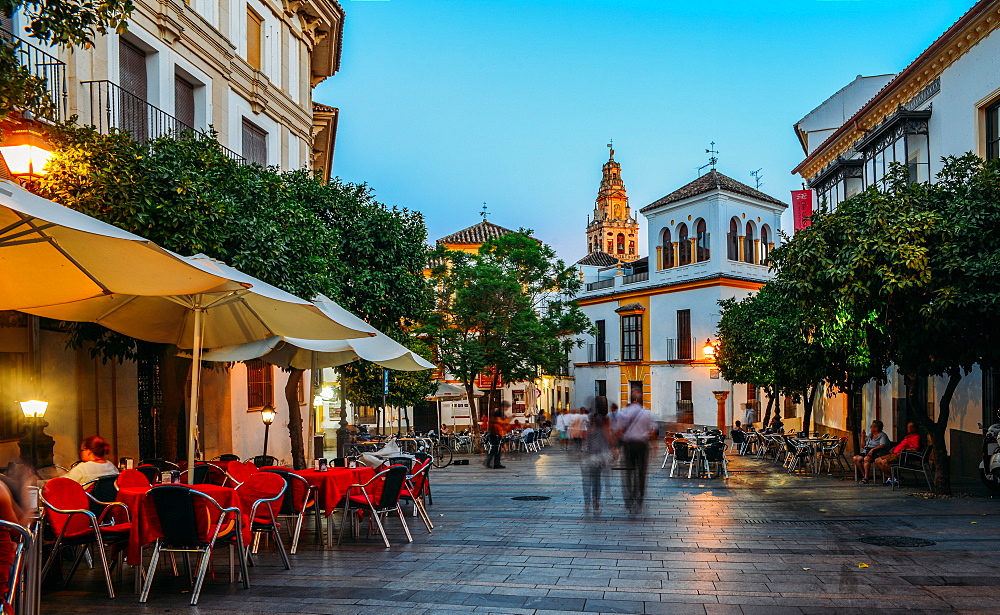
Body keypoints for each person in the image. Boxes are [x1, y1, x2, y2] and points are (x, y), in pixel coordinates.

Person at [616, 387, 653, 515]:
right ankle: (640, 496)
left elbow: (619, 429)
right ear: (641, 399)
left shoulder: (624, 411)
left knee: (628, 472)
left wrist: (617, 445)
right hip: (642, 445)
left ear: (630, 399)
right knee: (641, 472)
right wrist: (654, 447)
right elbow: (652, 431)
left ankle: (629, 497)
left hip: (629, 445)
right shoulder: (647, 412)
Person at [582, 396, 614, 515]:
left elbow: (586, 435)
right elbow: (609, 437)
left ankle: (587, 502)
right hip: (601, 454)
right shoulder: (605, 420)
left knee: (587, 480)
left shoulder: (590, 419)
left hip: (591, 453)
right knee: (597, 480)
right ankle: (596, 502)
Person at [853, 419, 891, 484]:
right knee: (856, 458)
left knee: (866, 459)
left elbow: (883, 445)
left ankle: (866, 477)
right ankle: (864, 474)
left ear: (876, 428)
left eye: (872, 426)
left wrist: (873, 449)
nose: (870, 427)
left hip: (877, 452)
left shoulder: (882, 435)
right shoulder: (871, 435)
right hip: (867, 451)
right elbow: (863, 446)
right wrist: (863, 436)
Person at [486, 403, 510, 469]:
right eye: (506, 408)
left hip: (494, 433)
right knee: (497, 449)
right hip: (495, 433)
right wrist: (509, 418)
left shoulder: (499, 412)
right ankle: (496, 464)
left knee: (494, 449)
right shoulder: (498, 412)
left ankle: (488, 462)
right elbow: (500, 422)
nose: (506, 409)